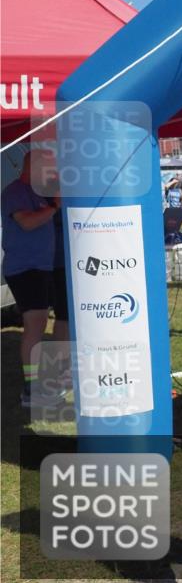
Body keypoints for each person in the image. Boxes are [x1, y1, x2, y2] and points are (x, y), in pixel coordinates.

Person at [1, 150, 67, 408]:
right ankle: (31, 389)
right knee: (35, 324)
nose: (51, 172)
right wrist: (53, 207)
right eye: (48, 166)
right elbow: (27, 223)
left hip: (41, 268)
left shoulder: (42, 192)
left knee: (38, 324)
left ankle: (38, 384)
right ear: (33, 167)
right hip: (24, 268)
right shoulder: (16, 191)